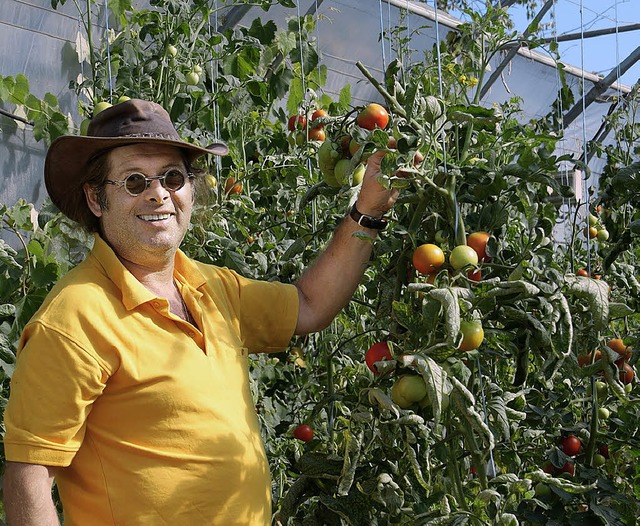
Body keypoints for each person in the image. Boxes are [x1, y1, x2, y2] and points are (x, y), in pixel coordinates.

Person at [2, 99, 398, 525]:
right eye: (135, 181)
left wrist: (368, 211)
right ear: (96, 200)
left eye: (173, 177)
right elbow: (29, 473)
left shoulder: (211, 286)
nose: (159, 193)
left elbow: (309, 305)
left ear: (190, 189)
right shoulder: (75, 318)